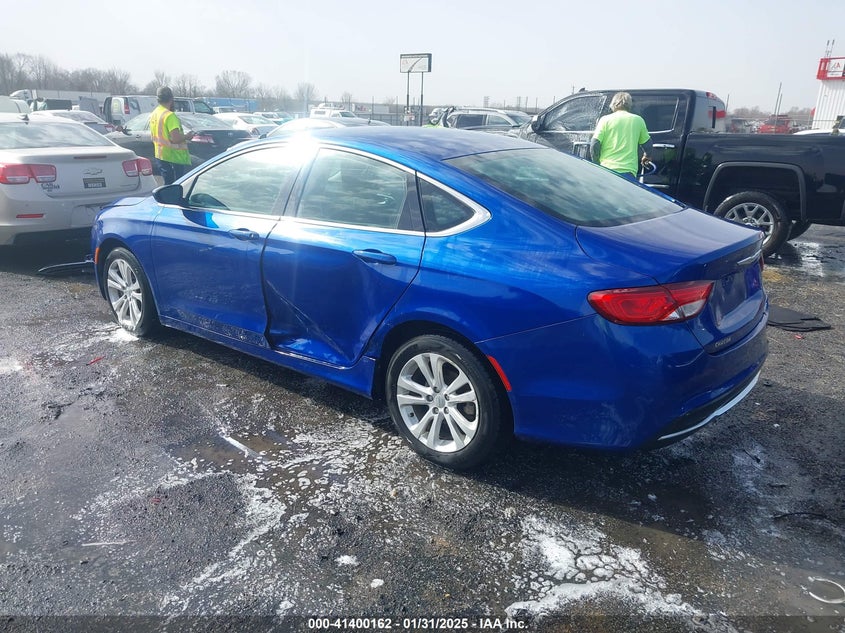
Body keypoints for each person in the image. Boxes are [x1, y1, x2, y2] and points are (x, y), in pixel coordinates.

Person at [590, 92, 653, 181]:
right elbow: (648, 145)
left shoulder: (605, 120)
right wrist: (646, 156)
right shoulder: (638, 120)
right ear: (629, 105)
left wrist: (596, 163)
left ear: (613, 104)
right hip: (628, 171)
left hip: (606, 169)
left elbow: (594, 143)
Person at [149, 86, 195, 185]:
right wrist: (187, 136)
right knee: (177, 186)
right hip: (174, 158)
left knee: (167, 185)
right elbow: (175, 139)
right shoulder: (169, 116)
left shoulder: (154, 114)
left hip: (160, 155)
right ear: (171, 99)